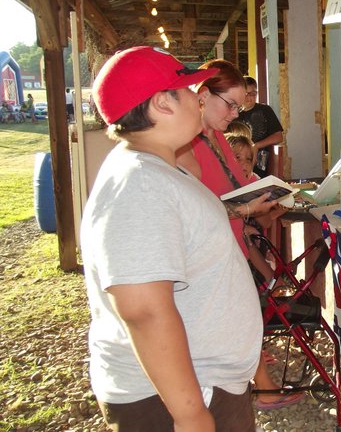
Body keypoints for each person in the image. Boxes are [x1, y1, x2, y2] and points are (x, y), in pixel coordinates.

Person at [80, 46, 263, 431]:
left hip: (201, 382)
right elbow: (143, 310)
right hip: (176, 395)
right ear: (163, 103)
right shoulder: (141, 183)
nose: (199, 99)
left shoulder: (156, 168)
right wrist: (190, 414)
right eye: (188, 91)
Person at [176, 59, 303, 411]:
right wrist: (245, 209)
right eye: (230, 104)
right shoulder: (185, 144)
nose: (236, 112)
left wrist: (264, 197)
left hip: (231, 242)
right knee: (236, 315)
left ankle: (251, 370)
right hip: (210, 250)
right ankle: (259, 386)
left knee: (241, 314)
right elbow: (192, 211)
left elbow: (237, 185)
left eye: (239, 104)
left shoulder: (216, 136)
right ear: (203, 96)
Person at [234, 76, 283, 178]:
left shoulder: (265, 110)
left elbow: (278, 136)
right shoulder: (234, 113)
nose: (249, 97)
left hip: (261, 163)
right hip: (238, 163)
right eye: (246, 94)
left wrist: (256, 146)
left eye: (253, 94)